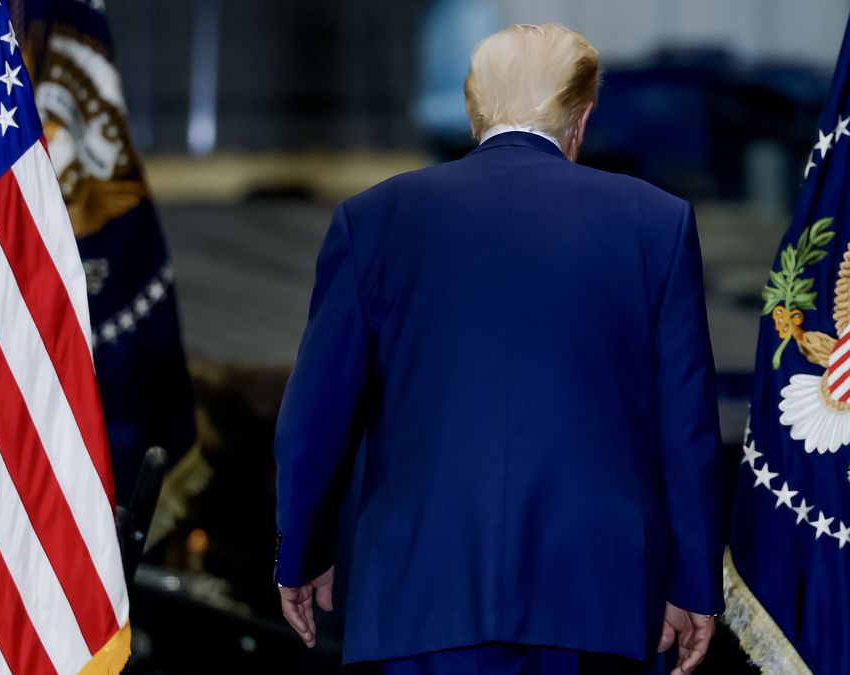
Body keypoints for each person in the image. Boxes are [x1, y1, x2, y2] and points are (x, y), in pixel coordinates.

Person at [275, 23, 726, 675]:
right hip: (602, 592)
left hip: (424, 589)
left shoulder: (373, 218)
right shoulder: (656, 221)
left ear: (473, 109)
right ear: (583, 117)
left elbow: (316, 419)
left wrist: (303, 552)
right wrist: (691, 583)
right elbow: (686, 429)